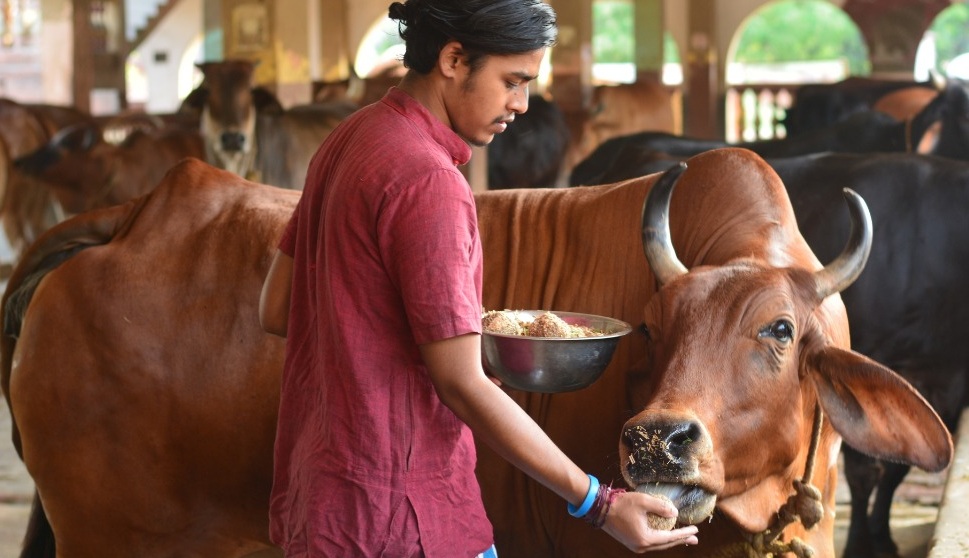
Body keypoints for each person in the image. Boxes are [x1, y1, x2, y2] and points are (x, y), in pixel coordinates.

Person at [258, 0, 700, 556]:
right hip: (404, 516)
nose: (521, 104)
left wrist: (417, 329)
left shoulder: (347, 140)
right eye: (512, 81)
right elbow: (461, 383)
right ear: (453, 58)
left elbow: (276, 308)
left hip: (321, 504)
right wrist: (598, 502)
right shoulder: (430, 181)